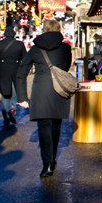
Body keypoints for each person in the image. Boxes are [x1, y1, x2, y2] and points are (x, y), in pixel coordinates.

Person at [16, 19, 72, 178]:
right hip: (59, 89)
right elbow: (66, 67)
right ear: (59, 29)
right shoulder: (66, 47)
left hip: (41, 90)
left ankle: (47, 164)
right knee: (56, 126)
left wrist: (22, 97)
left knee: (44, 127)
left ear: (44, 29)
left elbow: (21, 73)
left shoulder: (35, 48)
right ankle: (52, 159)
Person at [0, 27, 26, 126]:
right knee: (15, 91)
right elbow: (25, 57)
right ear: (14, 34)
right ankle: (12, 109)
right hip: (16, 69)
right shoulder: (19, 44)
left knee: (5, 93)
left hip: (2, 70)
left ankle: (6, 115)